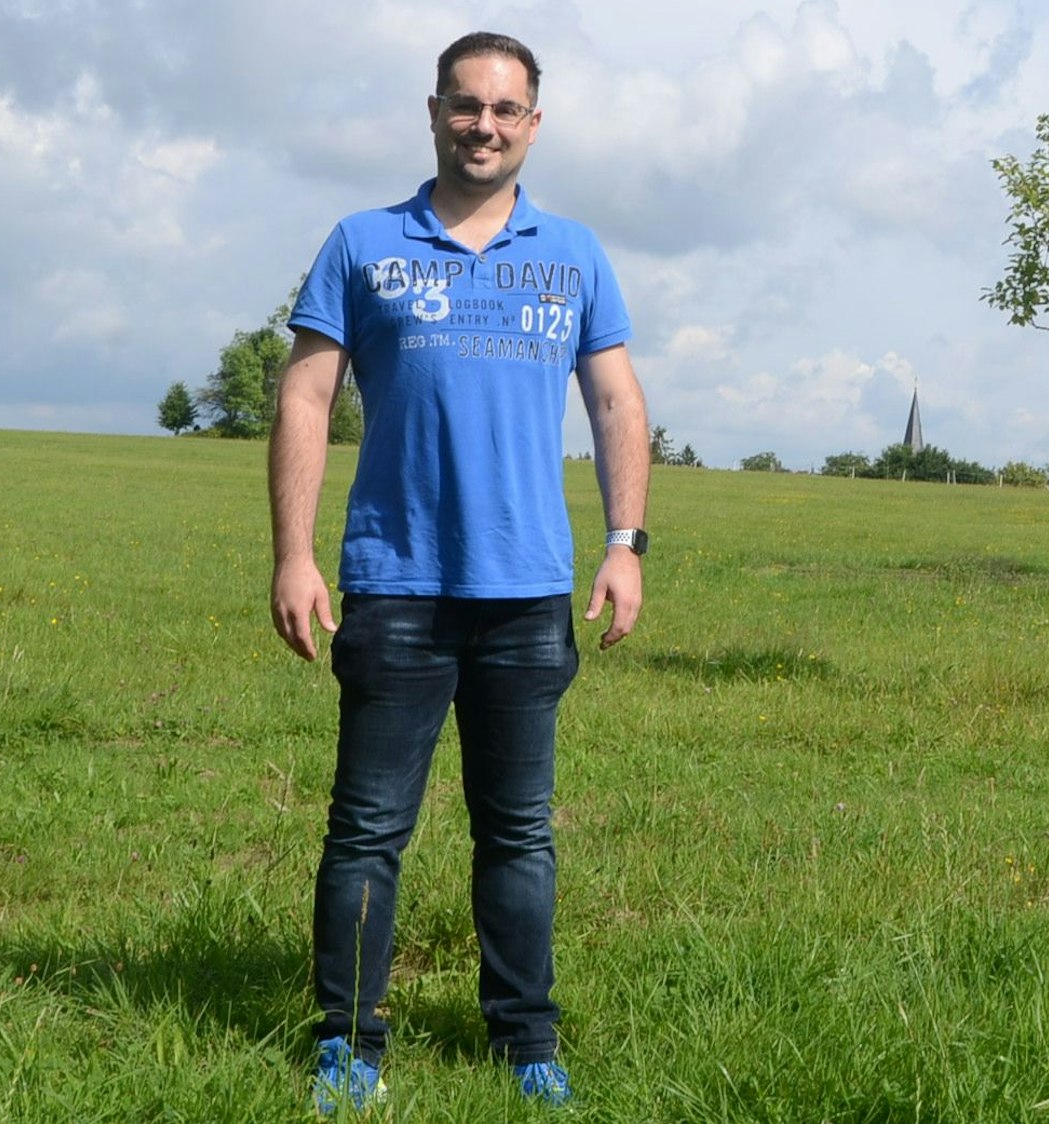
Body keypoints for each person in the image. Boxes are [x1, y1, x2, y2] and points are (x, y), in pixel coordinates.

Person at [267, 30, 649, 1112]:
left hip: (528, 593)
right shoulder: (362, 243)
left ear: (534, 122)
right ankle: (348, 1041)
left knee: (518, 830)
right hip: (394, 585)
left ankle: (526, 1036)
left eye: (506, 109)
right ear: (433, 111)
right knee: (366, 828)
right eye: (465, 104)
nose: (484, 124)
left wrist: (625, 544)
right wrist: (294, 554)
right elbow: (305, 396)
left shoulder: (572, 252)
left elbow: (617, 400)